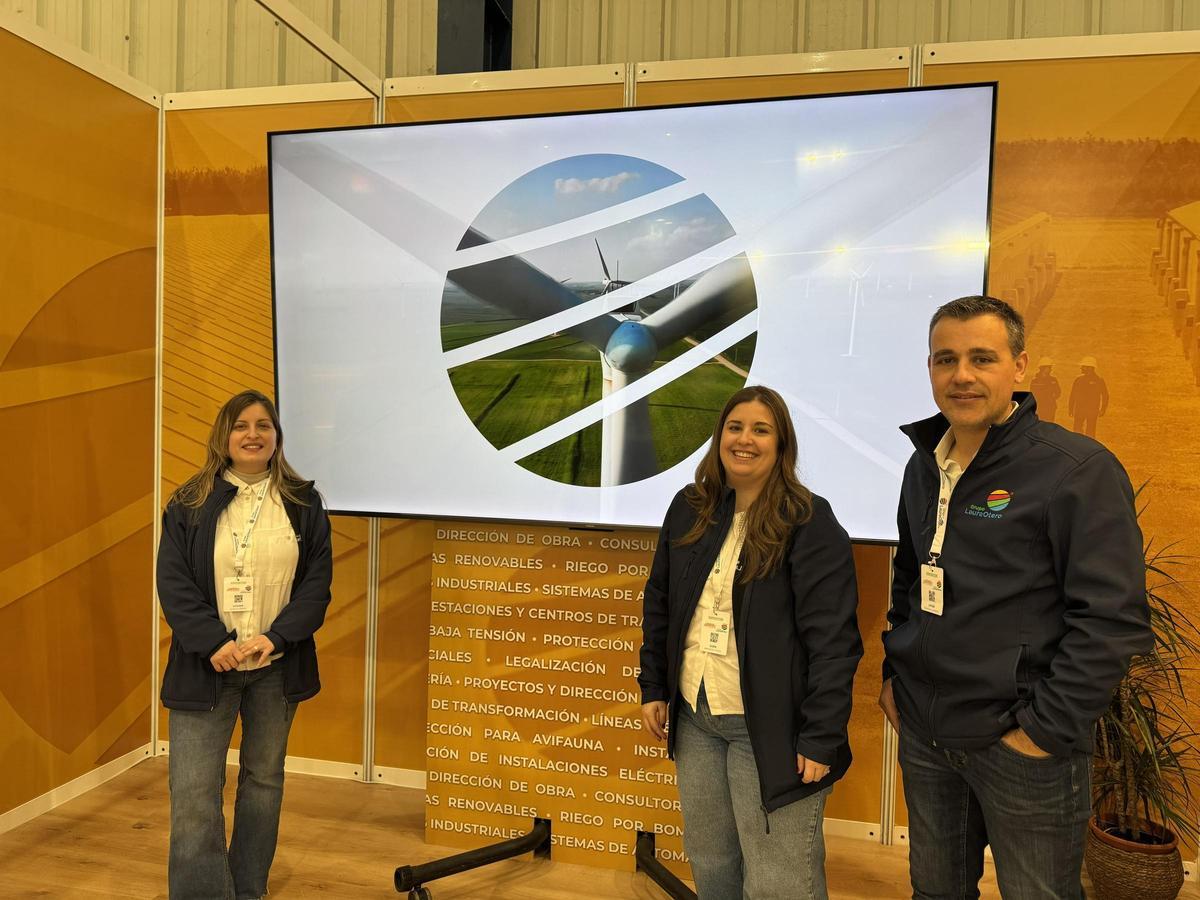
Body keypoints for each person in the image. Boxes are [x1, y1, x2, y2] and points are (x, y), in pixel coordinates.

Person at [880, 296, 1149, 898]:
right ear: (929, 369)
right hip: (927, 732)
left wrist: (1042, 732)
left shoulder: (1074, 469)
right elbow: (909, 578)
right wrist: (895, 676)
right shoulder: (923, 466)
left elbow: (1112, 619)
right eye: (945, 359)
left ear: (1020, 367)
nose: (962, 376)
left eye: (982, 358)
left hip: (1023, 745)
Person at [638, 385, 862, 900]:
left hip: (773, 730)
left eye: (761, 430)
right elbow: (661, 603)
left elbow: (834, 641)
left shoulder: (807, 520)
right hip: (696, 716)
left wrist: (821, 735)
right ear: (720, 437)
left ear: (781, 446)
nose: (745, 440)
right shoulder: (690, 508)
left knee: (778, 880)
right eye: (735, 427)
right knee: (713, 862)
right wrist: (653, 684)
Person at [157, 389, 333, 900]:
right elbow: (173, 582)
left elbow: (316, 584)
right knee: (193, 793)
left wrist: (274, 638)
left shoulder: (303, 503)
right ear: (224, 437)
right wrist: (214, 641)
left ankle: (247, 891)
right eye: (241, 426)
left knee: (262, 784)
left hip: (276, 667)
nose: (252, 434)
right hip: (205, 666)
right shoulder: (189, 501)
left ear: (277, 437)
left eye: (263, 425)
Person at [1069, 354, 1108, 437]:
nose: (1081, 368)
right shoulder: (1078, 380)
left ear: (1090, 368)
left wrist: (1103, 409)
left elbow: (1105, 395)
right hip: (1080, 409)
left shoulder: (1099, 380)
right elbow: (1073, 395)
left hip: (1092, 410)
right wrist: (1070, 408)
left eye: (1083, 366)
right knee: (1077, 431)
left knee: (1090, 432)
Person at [1029, 356, 1060, 423]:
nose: (1050, 369)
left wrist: (1053, 396)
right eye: (1049, 367)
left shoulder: (1053, 380)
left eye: (1050, 367)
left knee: (1050, 425)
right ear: (1042, 368)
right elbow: (1032, 394)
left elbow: (1058, 392)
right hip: (1040, 408)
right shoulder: (1035, 381)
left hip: (1051, 407)